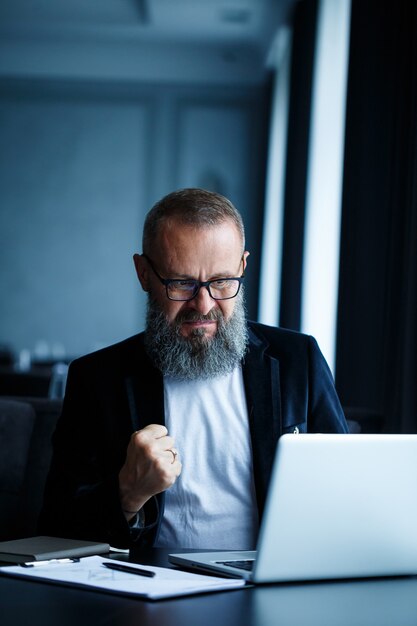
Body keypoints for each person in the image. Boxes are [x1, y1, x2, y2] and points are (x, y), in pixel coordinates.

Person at [38, 188, 348, 549]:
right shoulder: (96, 379)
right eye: (182, 283)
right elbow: (55, 526)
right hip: (149, 594)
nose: (203, 305)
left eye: (220, 282)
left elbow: (347, 493)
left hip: (270, 585)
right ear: (143, 274)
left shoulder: (299, 359)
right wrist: (127, 494)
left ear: (242, 267)